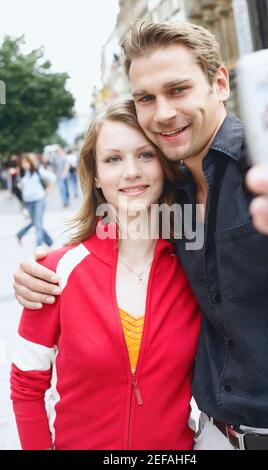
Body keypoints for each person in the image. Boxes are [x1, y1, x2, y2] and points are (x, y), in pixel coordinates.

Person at [13, 21, 268, 450]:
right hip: (211, 438)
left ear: (219, 82)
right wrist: (43, 269)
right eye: (146, 98)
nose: (163, 112)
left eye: (178, 89)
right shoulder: (176, 197)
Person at [11, 99, 201, 450]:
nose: (131, 172)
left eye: (145, 154)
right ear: (96, 173)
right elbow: (26, 385)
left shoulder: (194, 269)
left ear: (163, 164)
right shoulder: (54, 272)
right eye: (114, 159)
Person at [16, 153, 56, 247]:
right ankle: (49, 241)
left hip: (38, 200)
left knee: (38, 224)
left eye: (26, 162)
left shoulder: (37, 171)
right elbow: (21, 188)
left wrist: (47, 191)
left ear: (30, 163)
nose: (24, 164)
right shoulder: (21, 174)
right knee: (36, 222)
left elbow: (53, 178)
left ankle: (38, 246)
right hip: (27, 202)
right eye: (23, 163)